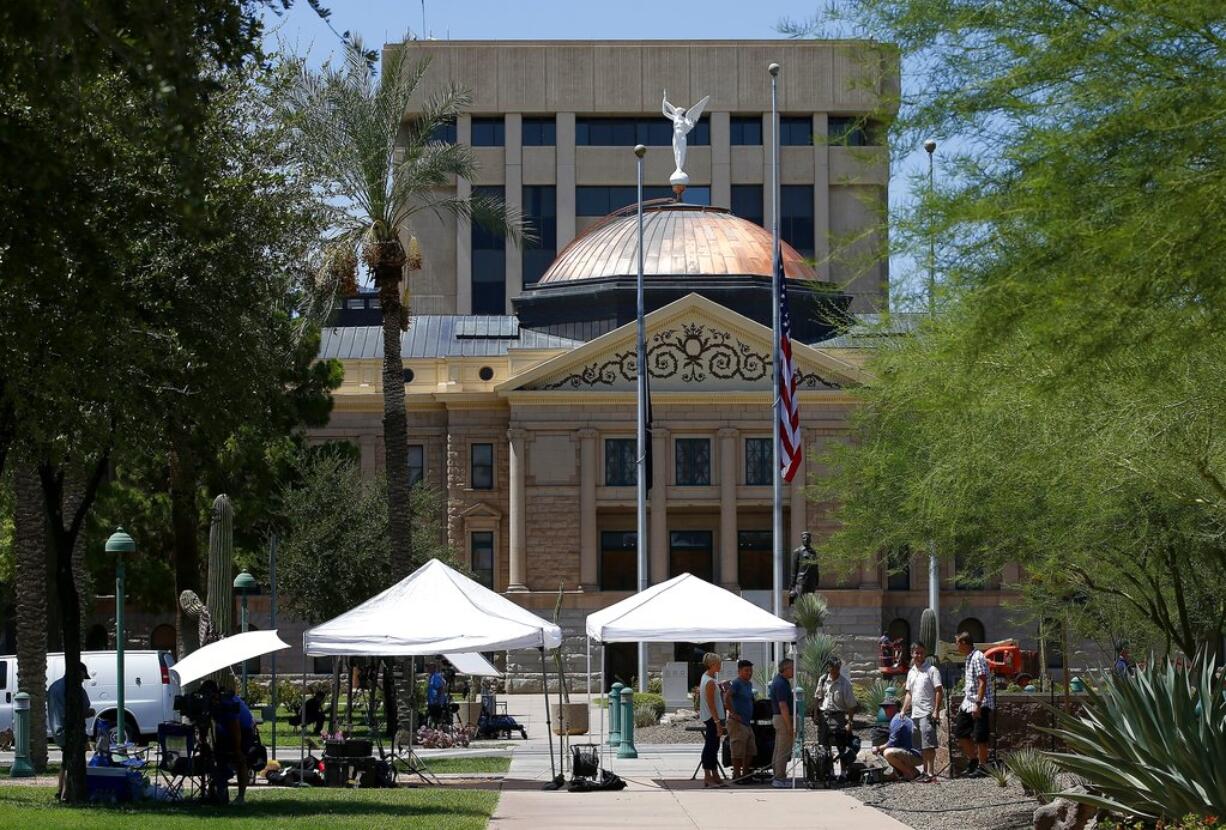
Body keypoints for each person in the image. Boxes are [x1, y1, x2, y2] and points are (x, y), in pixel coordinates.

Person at [202, 680, 256, 805]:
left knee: (240, 759)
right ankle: (220, 793)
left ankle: (240, 797)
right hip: (225, 729)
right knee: (217, 756)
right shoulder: (209, 704)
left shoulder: (227, 702)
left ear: (215, 694)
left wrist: (237, 749)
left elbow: (235, 728)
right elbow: (207, 723)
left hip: (244, 730)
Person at [48, 663, 93, 800]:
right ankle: (66, 795)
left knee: (65, 761)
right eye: (82, 677)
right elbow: (82, 710)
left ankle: (59, 789)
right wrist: (90, 712)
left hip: (57, 730)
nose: (82, 680)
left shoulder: (54, 687)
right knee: (72, 761)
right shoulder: (75, 689)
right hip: (70, 730)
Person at [954, 631, 994, 777]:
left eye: (957, 643)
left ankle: (983, 766)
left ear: (964, 643)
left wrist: (978, 703)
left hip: (980, 703)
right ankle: (973, 760)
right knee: (961, 732)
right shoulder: (969, 658)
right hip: (968, 702)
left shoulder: (977, 657)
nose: (956, 646)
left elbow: (982, 681)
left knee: (980, 736)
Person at [903, 641, 943, 781]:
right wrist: (903, 710)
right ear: (912, 654)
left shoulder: (932, 670)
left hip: (927, 711)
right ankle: (924, 772)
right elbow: (909, 693)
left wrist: (936, 710)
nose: (919, 655)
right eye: (916, 652)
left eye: (921, 652)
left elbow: (939, 691)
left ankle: (930, 772)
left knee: (928, 744)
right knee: (920, 745)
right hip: (915, 713)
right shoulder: (911, 672)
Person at [872, 697, 922, 781]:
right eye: (884, 707)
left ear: (894, 707)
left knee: (888, 753)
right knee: (892, 750)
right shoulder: (898, 718)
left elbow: (892, 742)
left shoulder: (897, 719)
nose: (885, 709)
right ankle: (914, 771)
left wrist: (878, 748)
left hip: (916, 755)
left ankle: (909, 773)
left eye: (887, 707)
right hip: (915, 753)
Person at [723, 659, 757, 784]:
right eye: (746, 671)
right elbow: (727, 697)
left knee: (750, 749)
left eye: (750, 671)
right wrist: (732, 713)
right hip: (737, 722)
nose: (749, 673)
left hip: (747, 722)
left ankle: (745, 773)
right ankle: (737, 774)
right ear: (739, 671)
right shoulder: (737, 683)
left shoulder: (749, 684)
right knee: (738, 749)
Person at [815, 657, 859, 752]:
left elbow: (851, 705)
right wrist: (815, 714)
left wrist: (849, 723)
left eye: (837, 668)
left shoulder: (845, 684)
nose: (835, 671)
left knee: (842, 747)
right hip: (824, 717)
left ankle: (844, 766)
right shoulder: (823, 680)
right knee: (823, 748)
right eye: (833, 668)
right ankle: (826, 766)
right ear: (828, 668)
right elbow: (818, 697)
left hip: (838, 718)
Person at [697, 652, 726, 788]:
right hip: (712, 718)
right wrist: (717, 722)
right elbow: (711, 703)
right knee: (711, 746)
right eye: (718, 664)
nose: (720, 666)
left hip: (712, 717)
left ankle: (714, 774)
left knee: (714, 746)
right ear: (713, 665)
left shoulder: (709, 678)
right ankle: (708, 775)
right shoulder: (709, 681)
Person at [769, 658, 795, 788]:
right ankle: (779, 777)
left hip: (780, 717)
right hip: (782, 718)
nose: (794, 671)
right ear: (786, 669)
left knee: (779, 748)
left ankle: (778, 775)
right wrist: (789, 726)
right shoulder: (780, 683)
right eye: (792, 668)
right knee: (783, 749)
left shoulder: (782, 681)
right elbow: (783, 705)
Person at [427, 662, 448, 726]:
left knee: (436, 720)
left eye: (429, 667)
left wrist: (437, 700)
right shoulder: (431, 676)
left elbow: (440, 688)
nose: (428, 669)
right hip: (432, 702)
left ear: (434, 668)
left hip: (436, 703)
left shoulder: (436, 676)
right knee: (433, 719)